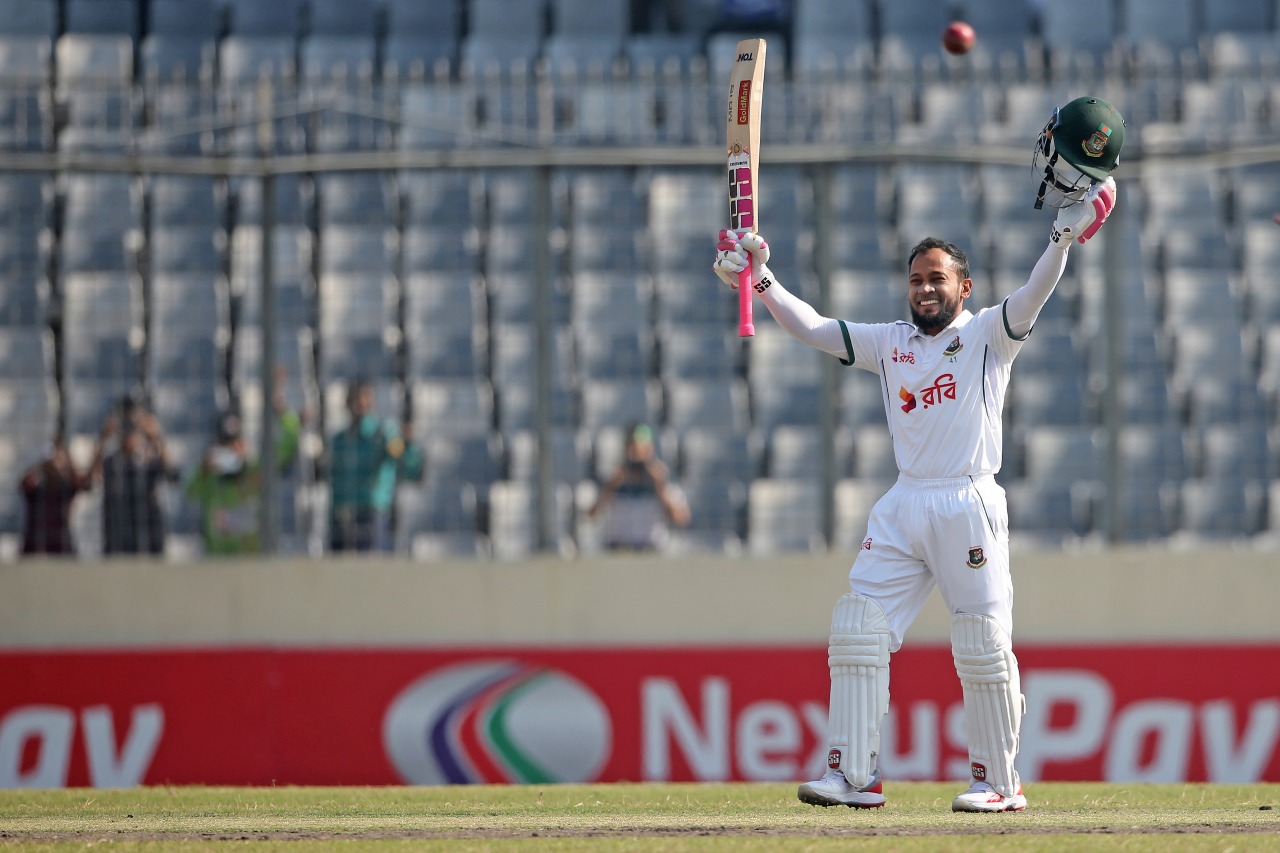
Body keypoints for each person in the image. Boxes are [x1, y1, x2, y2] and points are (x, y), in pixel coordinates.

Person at [713, 97, 1124, 813]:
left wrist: (1061, 238)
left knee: (982, 646)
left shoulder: (991, 334)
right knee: (857, 628)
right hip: (905, 501)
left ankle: (999, 781)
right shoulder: (891, 342)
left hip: (968, 500)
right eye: (916, 279)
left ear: (963, 288)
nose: (925, 288)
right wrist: (761, 275)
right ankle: (853, 773)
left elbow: (1032, 294)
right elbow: (813, 328)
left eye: (938, 279)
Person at [185, 402, 301, 556]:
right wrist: (204, 468)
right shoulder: (209, 479)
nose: (232, 451)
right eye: (225, 446)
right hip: (217, 568)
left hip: (252, 565)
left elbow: (287, 447)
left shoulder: (256, 472)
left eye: (235, 444)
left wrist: (284, 412)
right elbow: (188, 491)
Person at [326, 379, 423, 553]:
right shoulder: (338, 440)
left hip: (370, 515)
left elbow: (407, 466)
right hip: (340, 516)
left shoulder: (385, 434)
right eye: (355, 398)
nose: (360, 403)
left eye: (364, 397)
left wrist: (408, 447)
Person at [92, 394, 179, 556]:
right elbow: (91, 482)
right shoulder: (111, 462)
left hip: (149, 539)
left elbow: (173, 477)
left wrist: (157, 438)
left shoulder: (149, 460)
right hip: (117, 540)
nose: (129, 430)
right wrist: (102, 440)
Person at [587, 423, 690, 551]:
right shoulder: (612, 477)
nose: (636, 457)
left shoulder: (661, 477)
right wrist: (611, 486)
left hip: (650, 551)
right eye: (632, 449)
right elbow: (591, 516)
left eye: (642, 450)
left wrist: (660, 486)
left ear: (650, 450)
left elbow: (680, 518)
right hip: (618, 550)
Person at [19, 431, 92, 555]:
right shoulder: (37, 490)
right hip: (36, 550)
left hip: (62, 550)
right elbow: (24, 482)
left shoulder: (66, 488)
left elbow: (85, 484)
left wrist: (67, 458)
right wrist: (45, 462)